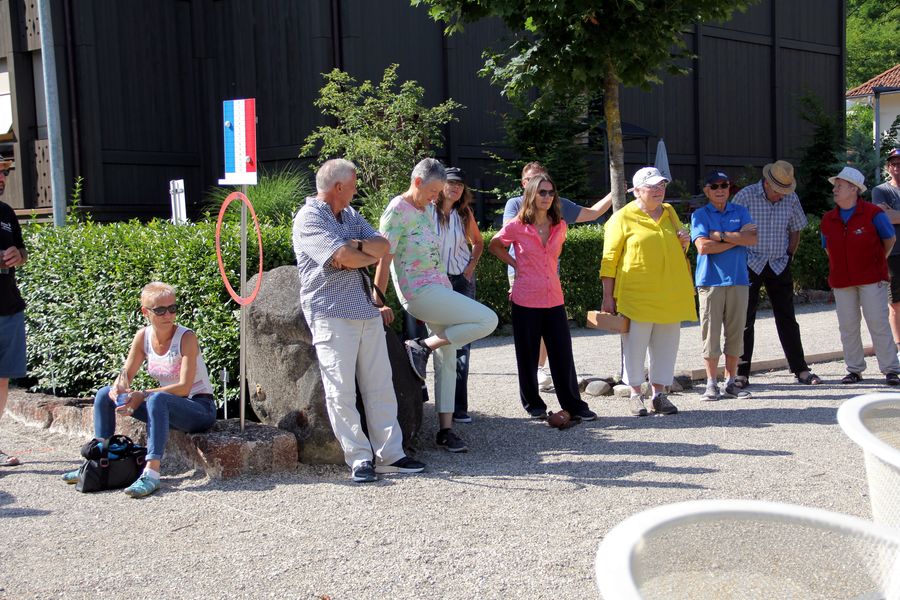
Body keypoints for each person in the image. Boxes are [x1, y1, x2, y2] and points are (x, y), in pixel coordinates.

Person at [293, 158, 425, 483]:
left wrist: (356, 248)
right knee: (340, 390)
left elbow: (382, 245)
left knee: (380, 385)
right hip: (331, 312)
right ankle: (359, 458)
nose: (355, 189)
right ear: (339, 187)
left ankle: (390, 454)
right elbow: (344, 257)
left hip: (365, 309)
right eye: (353, 184)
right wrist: (357, 253)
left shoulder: (349, 215)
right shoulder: (309, 217)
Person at [375, 158, 497, 453]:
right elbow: (384, 258)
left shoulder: (426, 210)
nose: (435, 197)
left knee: (448, 357)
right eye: (432, 191)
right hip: (419, 293)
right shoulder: (396, 211)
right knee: (488, 320)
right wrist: (378, 301)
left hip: (439, 288)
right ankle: (421, 347)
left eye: (438, 191)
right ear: (416, 182)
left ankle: (445, 430)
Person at [62, 282, 217, 497]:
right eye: (160, 310)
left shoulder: (186, 337)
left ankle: (152, 473)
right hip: (165, 407)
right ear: (146, 312)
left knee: (156, 399)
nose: (168, 315)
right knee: (103, 394)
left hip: (199, 407)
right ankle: (98, 463)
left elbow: (184, 388)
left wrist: (142, 395)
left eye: (173, 308)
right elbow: (126, 373)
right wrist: (119, 388)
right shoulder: (143, 336)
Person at [489, 173, 597, 421]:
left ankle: (574, 404)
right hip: (525, 297)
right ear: (531, 194)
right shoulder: (517, 225)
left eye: (551, 193)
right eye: (542, 192)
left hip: (554, 298)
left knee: (562, 354)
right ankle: (533, 404)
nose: (547, 197)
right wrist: (515, 264)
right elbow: (495, 244)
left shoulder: (560, 225)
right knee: (527, 355)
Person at [503, 162, 612, 390]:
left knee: (550, 327)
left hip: (550, 277)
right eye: (534, 183)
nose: (545, 194)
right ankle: (532, 376)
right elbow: (506, 237)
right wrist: (515, 265)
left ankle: (542, 370)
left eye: (548, 188)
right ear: (525, 184)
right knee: (529, 331)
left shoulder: (557, 207)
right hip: (522, 276)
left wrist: (615, 192)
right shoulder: (515, 204)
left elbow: (593, 213)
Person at [600, 167, 696, 416]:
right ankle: (635, 394)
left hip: (670, 292)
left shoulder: (669, 212)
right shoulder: (622, 217)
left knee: (667, 344)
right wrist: (607, 297)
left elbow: (675, 249)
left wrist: (684, 243)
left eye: (662, 186)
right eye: (652, 187)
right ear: (637, 191)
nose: (659, 191)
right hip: (636, 294)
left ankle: (659, 394)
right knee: (635, 344)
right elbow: (609, 260)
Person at [731, 160, 821, 387]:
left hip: (779, 263)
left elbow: (796, 228)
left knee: (787, 317)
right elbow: (732, 230)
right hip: (750, 261)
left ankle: (800, 369)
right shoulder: (746, 196)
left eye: (785, 191)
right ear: (767, 184)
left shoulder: (791, 197)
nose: (781, 196)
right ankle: (741, 373)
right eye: (778, 191)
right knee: (745, 319)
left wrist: (790, 254)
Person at [821, 166, 900, 385]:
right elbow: (827, 247)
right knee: (847, 325)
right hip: (842, 280)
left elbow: (889, 240)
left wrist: (876, 263)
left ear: (854, 189)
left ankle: (891, 370)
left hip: (872, 278)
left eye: (840, 185)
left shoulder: (874, 214)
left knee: (878, 322)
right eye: (835, 186)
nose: (835, 189)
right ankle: (854, 369)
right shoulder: (828, 218)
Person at [690, 170, 757, 400]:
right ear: (707, 190)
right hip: (710, 282)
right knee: (711, 335)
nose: (720, 190)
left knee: (736, 334)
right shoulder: (699, 214)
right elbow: (702, 247)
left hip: (739, 280)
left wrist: (718, 235)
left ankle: (730, 382)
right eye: (715, 186)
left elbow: (752, 239)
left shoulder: (741, 210)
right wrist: (736, 238)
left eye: (725, 185)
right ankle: (711, 383)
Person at [430, 167, 483, 423]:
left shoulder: (464, 213)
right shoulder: (428, 210)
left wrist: (470, 268)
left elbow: (479, 241)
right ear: (441, 185)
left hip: (460, 280)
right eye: (451, 183)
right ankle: (437, 406)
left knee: (462, 342)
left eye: (460, 184)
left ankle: (459, 407)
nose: (456, 188)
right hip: (434, 281)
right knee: (437, 341)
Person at [0, 158, 25, 468]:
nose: (3, 177)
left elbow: (22, 251)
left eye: (4, 172)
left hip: (9, 307)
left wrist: (19, 255)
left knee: (2, 380)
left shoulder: (6, 213)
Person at [871, 148, 900, 353]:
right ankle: (899, 346)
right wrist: (890, 214)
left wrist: (894, 212)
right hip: (893, 253)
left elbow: (892, 215)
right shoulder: (880, 191)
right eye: (893, 163)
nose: (896, 167)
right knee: (895, 302)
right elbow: (885, 218)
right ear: (888, 166)